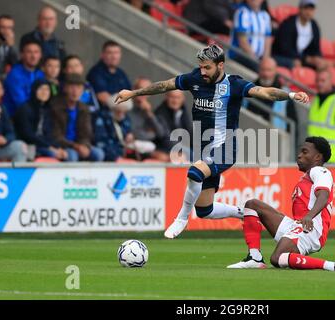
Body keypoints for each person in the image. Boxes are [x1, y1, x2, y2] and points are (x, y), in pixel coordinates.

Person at [114, 44, 309, 239]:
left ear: (220, 65)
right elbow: (165, 85)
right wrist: (133, 93)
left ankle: (181, 218)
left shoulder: (235, 84)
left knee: (194, 173)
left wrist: (291, 95)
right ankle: (244, 212)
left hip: (225, 148)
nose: (203, 71)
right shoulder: (195, 79)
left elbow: (265, 92)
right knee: (204, 210)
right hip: (204, 148)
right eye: (201, 67)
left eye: (207, 67)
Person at [227, 136, 335, 272]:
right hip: (298, 225)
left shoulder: (320, 171)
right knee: (252, 205)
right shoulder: (308, 176)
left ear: (317, 157)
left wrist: (309, 216)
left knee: (277, 258)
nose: (299, 156)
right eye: (300, 152)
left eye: (305, 152)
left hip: (311, 229)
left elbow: (323, 195)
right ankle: (254, 258)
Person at [48, 73, 105, 162]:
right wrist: (76, 146)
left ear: (82, 90)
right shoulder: (55, 107)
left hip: (80, 145)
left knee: (98, 153)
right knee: (72, 156)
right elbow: (56, 136)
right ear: (65, 88)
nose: (75, 91)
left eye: (78, 87)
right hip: (62, 146)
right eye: (72, 87)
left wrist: (84, 145)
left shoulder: (84, 108)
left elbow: (86, 133)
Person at [308, 69, 335, 164]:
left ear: (330, 82)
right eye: (317, 80)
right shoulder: (315, 101)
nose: (319, 84)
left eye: (323, 81)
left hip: (334, 159)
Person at [14, 80, 66, 161]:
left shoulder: (48, 109)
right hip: (30, 145)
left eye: (47, 89)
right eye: (41, 89)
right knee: (52, 154)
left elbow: (49, 133)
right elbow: (27, 134)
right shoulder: (25, 108)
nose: (44, 92)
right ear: (34, 91)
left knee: (67, 154)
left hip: (45, 144)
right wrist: (49, 147)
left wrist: (58, 147)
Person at [272, 0, 328, 70]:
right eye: (306, 8)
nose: (308, 12)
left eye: (311, 9)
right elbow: (284, 49)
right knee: (295, 63)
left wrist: (317, 58)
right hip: (282, 56)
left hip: (302, 58)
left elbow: (316, 48)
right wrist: (305, 58)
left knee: (322, 65)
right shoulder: (288, 24)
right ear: (300, 9)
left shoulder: (314, 26)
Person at [245, 57, 297, 130]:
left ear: (275, 71)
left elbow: (292, 122)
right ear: (259, 70)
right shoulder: (248, 89)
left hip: (276, 137)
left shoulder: (285, 93)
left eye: (269, 70)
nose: (266, 74)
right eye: (263, 70)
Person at [129, 78, 173, 162]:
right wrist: (151, 134)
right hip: (134, 148)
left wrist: (149, 114)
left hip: (151, 147)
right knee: (163, 157)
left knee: (177, 155)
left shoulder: (149, 111)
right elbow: (135, 134)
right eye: (140, 88)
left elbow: (161, 134)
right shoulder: (128, 108)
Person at [2, 40, 44, 117]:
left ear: (40, 55)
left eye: (36, 52)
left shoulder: (40, 74)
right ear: (22, 55)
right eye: (29, 52)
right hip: (15, 118)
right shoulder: (14, 74)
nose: (33, 56)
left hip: (33, 116)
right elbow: (21, 103)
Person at [229, 0, 272, 71]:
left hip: (258, 59)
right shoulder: (242, 13)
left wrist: (265, 60)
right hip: (240, 55)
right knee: (263, 70)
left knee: (271, 67)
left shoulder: (265, 15)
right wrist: (256, 60)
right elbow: (243, 41)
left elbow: (267, 40)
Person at [87, 40, 131, 108]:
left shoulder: (121, 73)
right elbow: (103, 98)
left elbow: (130, 94)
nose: (114, 57)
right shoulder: (96, 72)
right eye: (110, 53)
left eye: (116, 53)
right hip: (102, 113)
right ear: (103, 55)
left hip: (121, 112)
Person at [94, 94, 135, 162]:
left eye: (124, 112)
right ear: (112, 109)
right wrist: (116, 158)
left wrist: (129, 138)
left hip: (123, 152)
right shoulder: (102, 118)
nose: (121, 114)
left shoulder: (126, 120)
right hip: (110, 156)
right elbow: (101, 142)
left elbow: (128, 136)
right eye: (118, 111)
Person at [0, 80, 27, 162]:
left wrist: (5, 139)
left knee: (20, 147)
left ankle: (19, 175)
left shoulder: (2, 109)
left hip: (1, 148)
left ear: (2, 92)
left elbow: (11, 132)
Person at [0, 14, 19, 81]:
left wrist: (12, 46)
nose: (6, 31)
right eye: (2, 27)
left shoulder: (13, 48)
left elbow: (17, 67)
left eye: (9, 28)